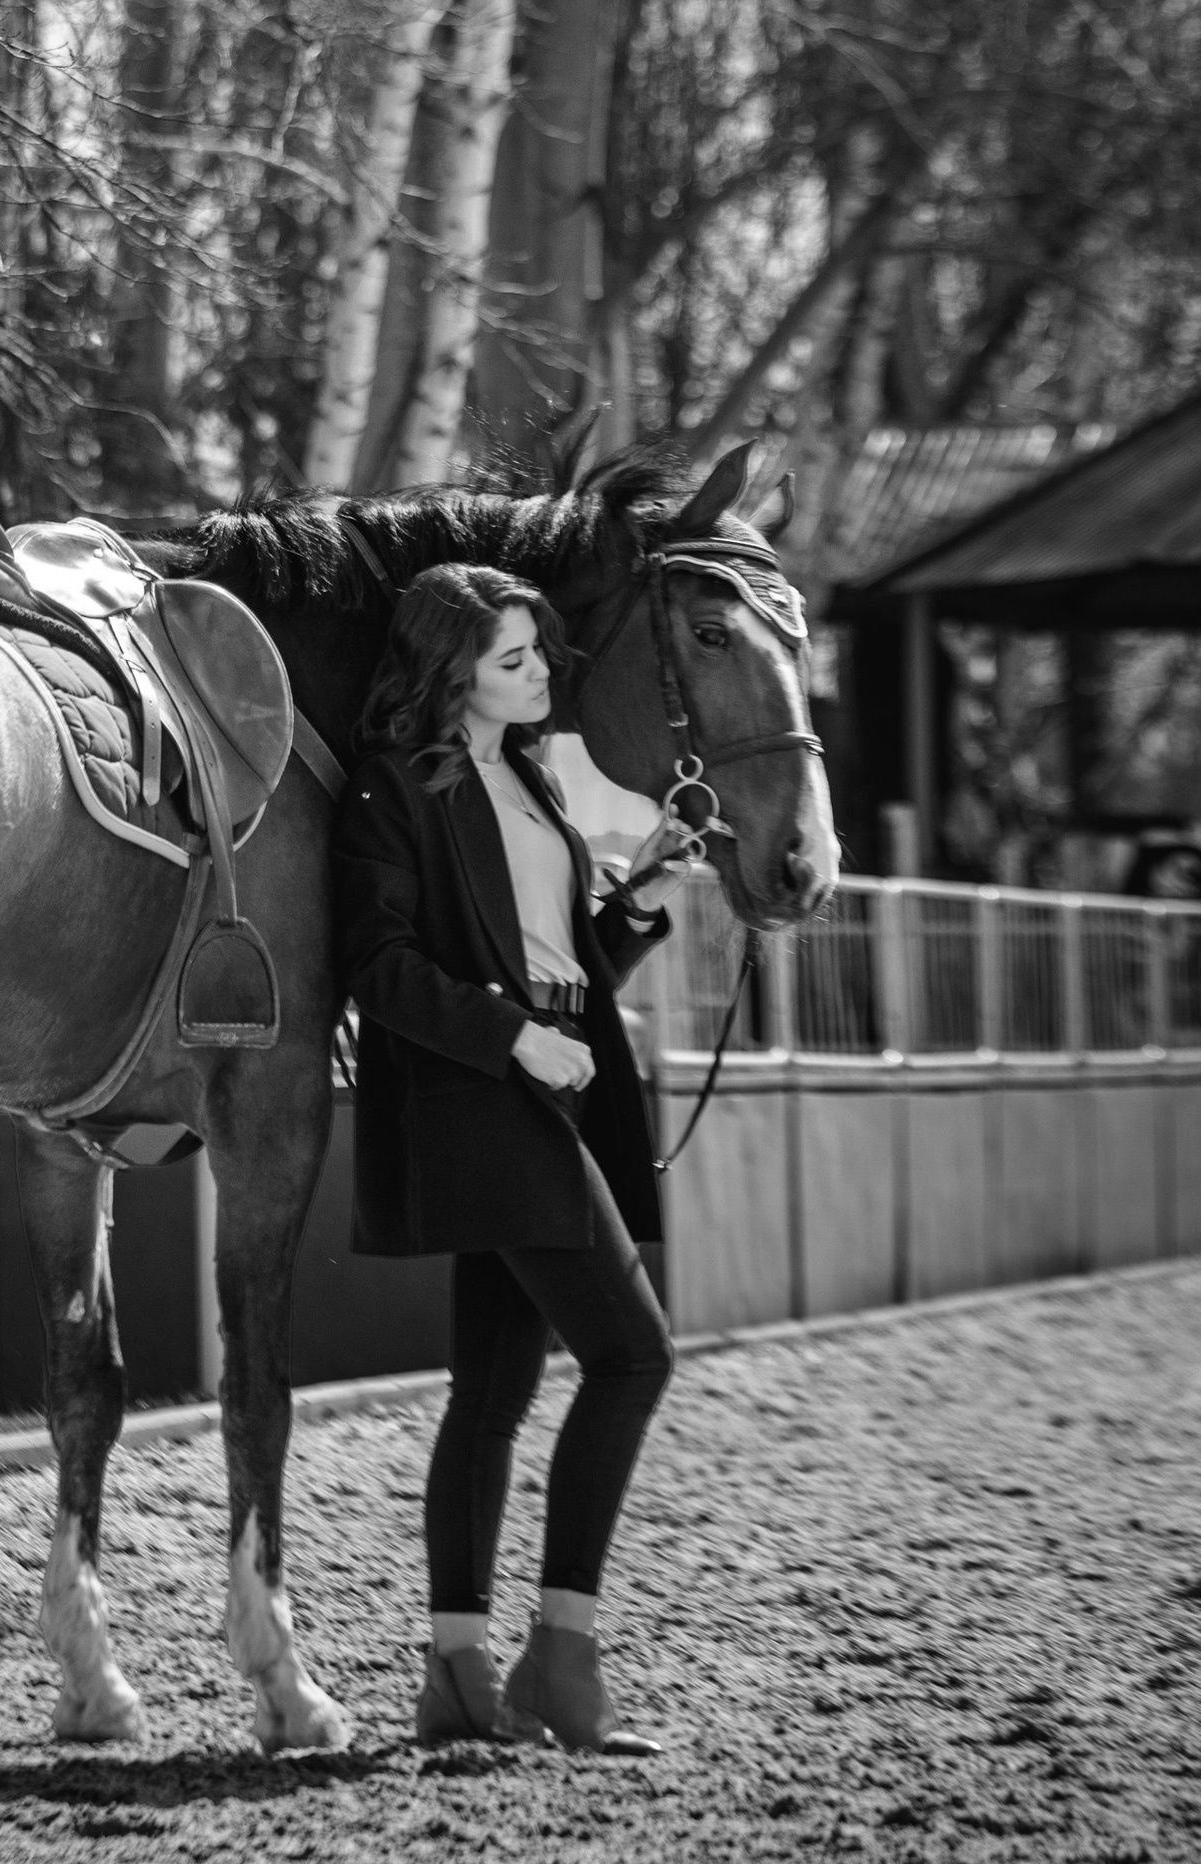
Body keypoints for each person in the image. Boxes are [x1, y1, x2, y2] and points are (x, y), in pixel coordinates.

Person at [332, 561, 704, 1754]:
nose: (541, 670)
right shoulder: (395, 787)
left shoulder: (532, 781)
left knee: (490, 1395)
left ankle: (457, 1677)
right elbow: (378, 966)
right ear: (453, 675)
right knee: (633, 1357)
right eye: (512, 657)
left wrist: (634, 906)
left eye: (538, 648)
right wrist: (513, 1041)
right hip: (481, 1099)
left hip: (549, 1085)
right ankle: (560, 1663)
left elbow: (556, 958)